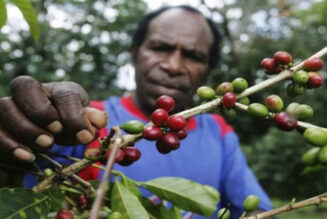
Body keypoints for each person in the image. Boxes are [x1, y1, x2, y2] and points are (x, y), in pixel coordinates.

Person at [0, 5, 272, 219]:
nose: (174, 65)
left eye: (193, 56)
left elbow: (258, 211)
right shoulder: (87, 121)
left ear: (207, 69)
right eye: (161, 48)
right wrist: (38, 120)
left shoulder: (219, 132)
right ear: (134, 54)